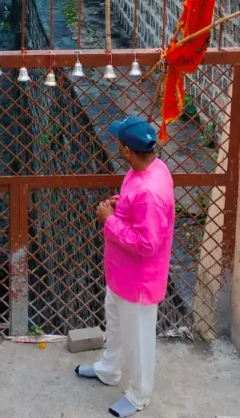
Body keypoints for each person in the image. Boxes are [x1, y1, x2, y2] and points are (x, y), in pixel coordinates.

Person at [75, 116, 175, 417]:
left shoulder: (149, 193)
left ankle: (138, 395)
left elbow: (147, 244)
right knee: (116, 325)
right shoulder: (149, 168)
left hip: (139, 280)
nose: (116, 145)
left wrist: (110, 220)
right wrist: (122, 206)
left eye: (119, 142)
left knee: (139, 340)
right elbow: (139, 214)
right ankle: (109, 369)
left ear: (128, 151)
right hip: (121, 273)